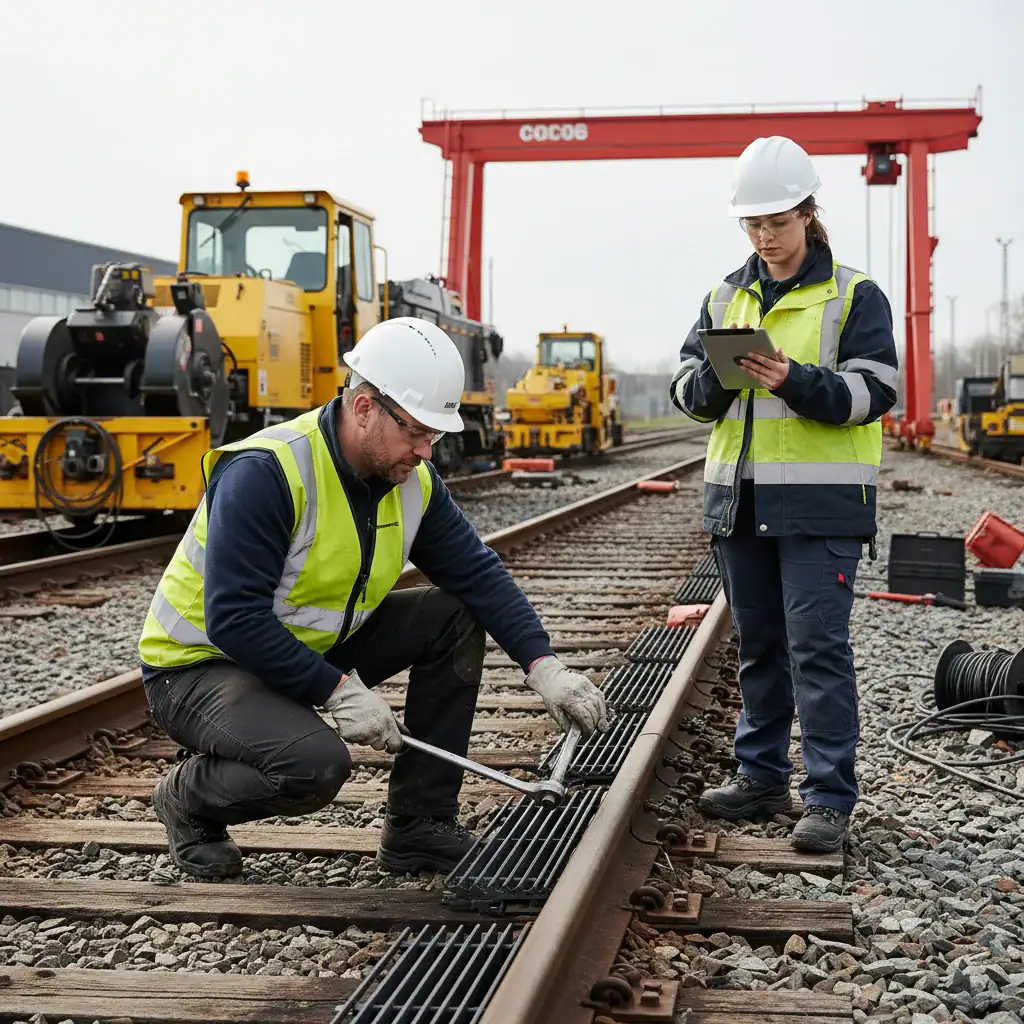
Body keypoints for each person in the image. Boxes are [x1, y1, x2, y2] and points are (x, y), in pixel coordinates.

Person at [138, 316, 608, 880]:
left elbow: (478, 576)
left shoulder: (412, 481)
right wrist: (337, 691)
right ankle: (186, 799)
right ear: (364, 407)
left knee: (452, 615)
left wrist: (544, 665)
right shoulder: (267, 472)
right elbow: (235, 619)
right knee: (314, 765)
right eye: (415, 431)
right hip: (200, 666)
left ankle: (420, 827)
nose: (426, 451)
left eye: (434, 436)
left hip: (304, 646)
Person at [669, 136, 898, 853]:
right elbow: (686, 390)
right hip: (741, 503)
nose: (765, 237)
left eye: (777, 222)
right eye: (753, 225)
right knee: (761, 647)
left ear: (808, 213)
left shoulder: (854, 294)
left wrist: (792, 379)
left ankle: (828, 799)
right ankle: (761, 776)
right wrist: (717, 377)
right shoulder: (722, 295)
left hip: (820, 511)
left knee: (818, 650)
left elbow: (875, 392)